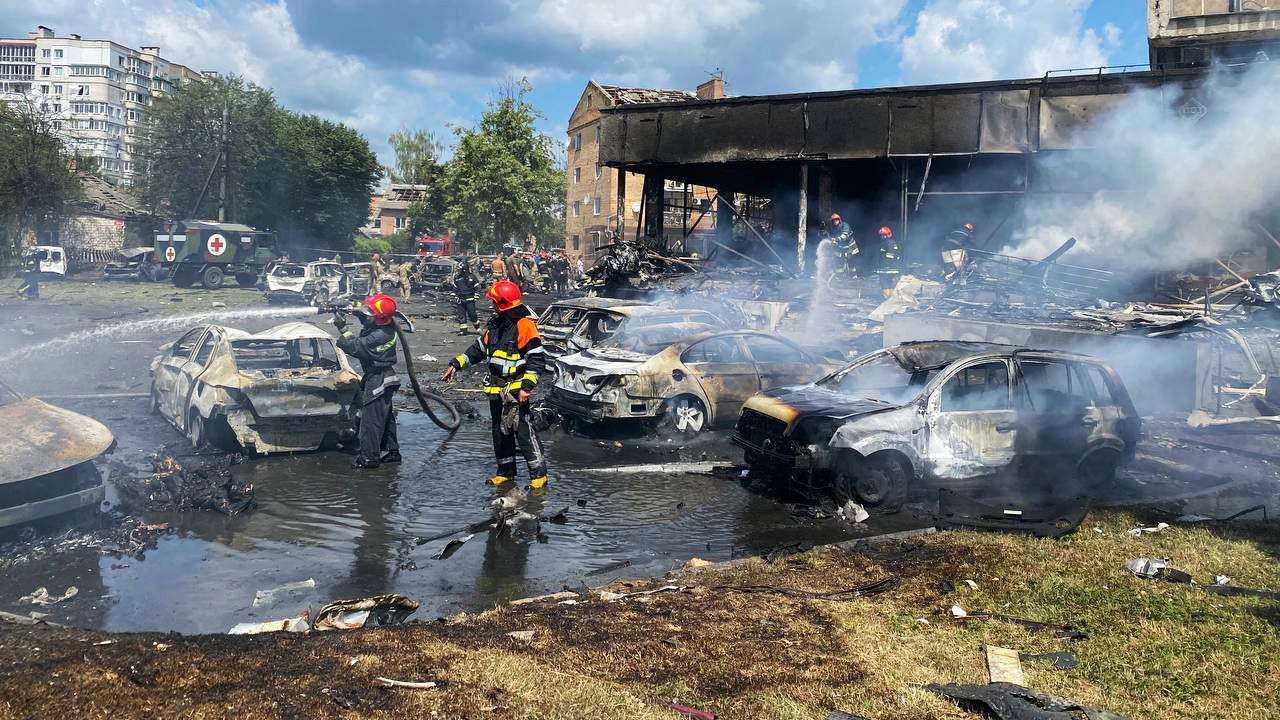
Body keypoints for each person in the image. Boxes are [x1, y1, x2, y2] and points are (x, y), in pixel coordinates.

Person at [441, 280, 548, 489]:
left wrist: (527, 387)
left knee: (523, 432)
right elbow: (478, 350)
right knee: (500, 432)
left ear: (502, 304)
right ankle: (506, 472)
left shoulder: (524, 326)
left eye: (494, 302)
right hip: (496, 390)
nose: (492, 306)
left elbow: (536, 360)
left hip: (515, 391)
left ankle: (539, 476)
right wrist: (456, 364)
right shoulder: (496, 325)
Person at [335, 294, 402, 470]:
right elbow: (369, 320)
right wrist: (354, 311)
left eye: (371, 312)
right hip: (386, 377)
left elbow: (355, 346)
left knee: (370, 421)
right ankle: (393, 452)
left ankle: (369, 458)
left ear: (380, 317)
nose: (368, 315)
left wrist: (342, 328)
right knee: (385, 417)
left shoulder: (378, 336)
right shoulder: (385, 325)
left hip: (378, 379)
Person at [451, 259, 480, 335]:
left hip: (470, 299)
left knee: (472, 314)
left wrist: (476, 296)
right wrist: (455, 295)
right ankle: (463, 331)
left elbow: (477, 288)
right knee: (461, 315)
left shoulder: (472, 277)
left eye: (460, 269)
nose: (458, 271)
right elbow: (455, 288)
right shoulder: (457, 278)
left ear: (464, 270)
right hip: (460, 300)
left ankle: (478, 328)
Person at [875, 225, 901, 297]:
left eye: (883, 235)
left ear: (888, 235)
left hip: (887, 268)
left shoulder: (888, 243)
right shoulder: (892, 242)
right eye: (881, 235)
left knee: (884, 283)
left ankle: (886, 298)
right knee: (889, 283)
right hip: (891, 267)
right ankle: (890, 298)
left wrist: (884, 265)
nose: (882, 237)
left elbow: (889, 256)